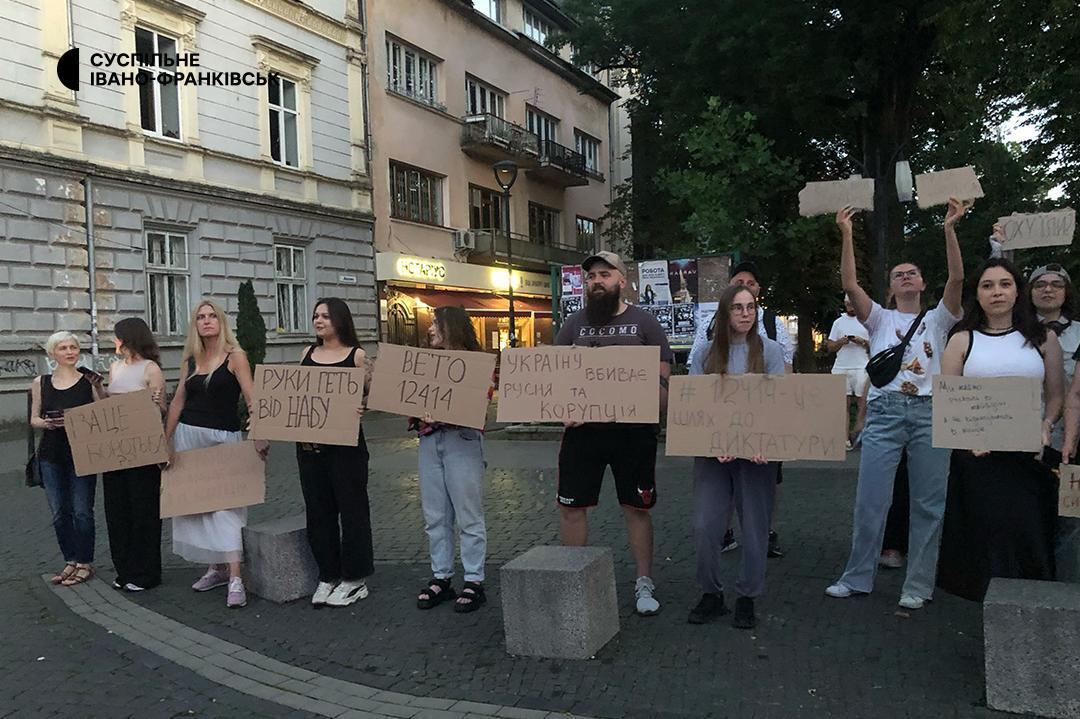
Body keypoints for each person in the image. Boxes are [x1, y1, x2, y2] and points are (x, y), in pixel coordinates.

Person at [825, 199, 966, 610]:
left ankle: (917, 585)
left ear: (923, 284)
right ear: (890, 287)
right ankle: (857, 577)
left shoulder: (939, 319)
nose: (906, 278)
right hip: (886, 413)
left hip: (928, 413)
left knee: (928, 503)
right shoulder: (879, 319)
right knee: (871, 499)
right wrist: (847, 235)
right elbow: (850, 285)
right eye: (898, 275)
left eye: (913, 274)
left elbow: (957, 278)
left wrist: (949, 230)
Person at [936, 259, 1063, 600]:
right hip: (978, 460)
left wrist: (1047, 424)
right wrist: (967, 440)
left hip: (1028, 458)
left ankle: (1029, 618)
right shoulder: (962, 340)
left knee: (1028, 539)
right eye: (988, 285)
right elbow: (947, 401)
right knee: (984, 544)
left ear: (1017, 291)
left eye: (1005, 284)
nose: (997, 292)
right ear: (976, 294)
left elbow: (1055, 396)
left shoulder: (1043, 338)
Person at [555, 251, 672, 616]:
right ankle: (575, 581)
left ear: (622, 280)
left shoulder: (645, 323)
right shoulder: (573, 325)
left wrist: (644, 399)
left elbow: (664, 385)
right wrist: (563, 408)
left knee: (636, 508)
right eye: (591, 276)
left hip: (633, 435)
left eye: (605, 274)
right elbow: (555, 379)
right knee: (571, 509)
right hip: (583, 434)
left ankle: (643, 582)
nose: (596, 281)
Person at [687, 284, 785, 629]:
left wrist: (765, 444)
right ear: (725, 314)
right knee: (704, 525)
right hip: (714, 454)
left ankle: (747, 596)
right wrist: (713, 442)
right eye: (738, 307)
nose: (746, 313)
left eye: (751, 307)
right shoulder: (705, 354)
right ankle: (711, 593)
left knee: (755, 528)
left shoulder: (770, 352)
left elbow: (778, 405)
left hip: (757, 455)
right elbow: (696, 405)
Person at [165, 300, 268, 608]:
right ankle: (216, 567)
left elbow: (252, 396)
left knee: (226, 507)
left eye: (212, 316)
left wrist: (259, 432)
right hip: (189, 436)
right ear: (195, 324)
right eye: (201, 317)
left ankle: (235, 575)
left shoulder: (235, 357)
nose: (207, 321)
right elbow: (177, 403)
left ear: (221, 322)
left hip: (224, 437)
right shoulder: (190, 361)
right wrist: (164, 441)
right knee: (198, 506)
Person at [688, 260, 794, 557]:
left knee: (762, 492)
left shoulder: (774, 329)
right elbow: (697, 389)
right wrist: (715, 439)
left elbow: (782, 383)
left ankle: (763, 535)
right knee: (716, 497)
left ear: (758, 291)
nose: (745, 294)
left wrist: (766, 439)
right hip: (718, 437)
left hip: (760, 435)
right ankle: (725, 532)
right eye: (738, 285)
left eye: (750, 285)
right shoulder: (708, 335)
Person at [412, 306, 492, 613]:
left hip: (463, 441)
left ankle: (474, 579)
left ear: (452, 328)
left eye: (436, 324)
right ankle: (441, 576)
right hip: (430, 441)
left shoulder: (476, 364)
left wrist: (446, 411)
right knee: (435, 515)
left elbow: (480, 402)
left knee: (468, 514)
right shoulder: (423, 363)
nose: (430, 329)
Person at [297, 298, 373, 608]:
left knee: (352, 510)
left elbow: (372, 393)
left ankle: (355, 578)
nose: (319, 320)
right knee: (318, 511)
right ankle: (327, 574)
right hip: (310, 447)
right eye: (316, 315)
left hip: (346, 448)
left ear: (340, 320)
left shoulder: (357, 357)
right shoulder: (307, 354)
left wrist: (362, 404)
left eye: (325, 316)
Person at [30, 332, 106, 587]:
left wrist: (99, 387)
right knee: (59, 512)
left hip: (83, 453)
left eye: (73, 347)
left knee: (82, 511)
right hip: (51, 454)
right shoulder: (41, 382)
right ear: (53, 353)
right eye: (63, 348)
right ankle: (70, 560)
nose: (70, 351)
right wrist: (47, 423)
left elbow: (104, 413)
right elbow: (34, 419)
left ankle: (85, 562)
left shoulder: (87, 382)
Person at [103, 318, 166, 592]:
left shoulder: (150, 368)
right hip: (115, 449)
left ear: (128, 338)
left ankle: (146, 572)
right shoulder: (114, 368)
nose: (114, 342)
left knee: (144, 511)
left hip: (142, 450)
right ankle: (124, 569)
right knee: (117, 511)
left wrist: (154, 404)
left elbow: (160, 408)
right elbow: (108, 405)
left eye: (116, 337)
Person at [1028, 263, 1080, 581]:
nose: (1048, 289)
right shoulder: (1015, 332)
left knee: (1070, 516)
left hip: (1072, 438)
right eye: (1040, 284)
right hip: (1028, 435)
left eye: (1056, 284)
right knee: (1032, 509)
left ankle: (1064, 582)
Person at [826, 295, 871, 450]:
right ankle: (843, 439)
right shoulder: (838, 322)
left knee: (862, 403)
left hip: (861, 366)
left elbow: (876, 344)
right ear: (845, 304)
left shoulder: (867, 321)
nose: (851, 306)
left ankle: (861, 436)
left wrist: (862, 342)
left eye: (853, 303)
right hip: (841, 366)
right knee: (841, 405)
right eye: (848, 304)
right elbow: (830, 346)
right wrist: (840, 342)